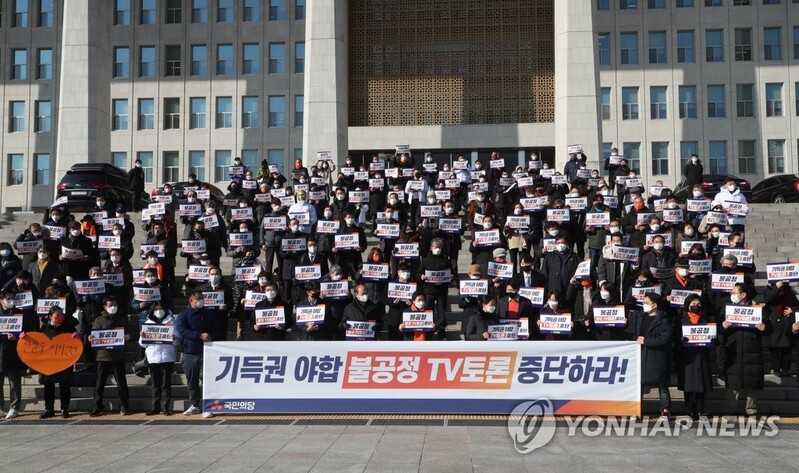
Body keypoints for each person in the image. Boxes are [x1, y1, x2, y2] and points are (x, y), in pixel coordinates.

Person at [721, 283, 765, 416]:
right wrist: (723, 327)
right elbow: (718, 332)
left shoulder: (756, 309)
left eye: (734, 293)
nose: (732, 295)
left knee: (753, 381)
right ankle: (730, 409)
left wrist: (764, 328)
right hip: (733, 349)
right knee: (732, 381)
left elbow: (769, 329)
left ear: (743, 294)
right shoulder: (727, 310)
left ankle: (752, 409)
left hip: (752, 349)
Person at [176, 290, 221, 418]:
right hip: (190, 351)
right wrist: (198, 335)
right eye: (198, 299)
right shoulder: (183, 315)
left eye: (202, 298)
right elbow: (182, 330)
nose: (201, 301)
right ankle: (194, 404)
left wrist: (211, 336)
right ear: (191, 301)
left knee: (206, 379)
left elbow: (217, 329)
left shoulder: (208, 314)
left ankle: (208, 405)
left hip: (206, 350)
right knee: (192, 380)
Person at [630, 293, 673, 419]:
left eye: (646, 303)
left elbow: (665, 339)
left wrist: (646, 341)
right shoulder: (641, 317)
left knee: (662, 384)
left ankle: (665, 410)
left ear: (654, 305)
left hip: (657, 356)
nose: (644, 305)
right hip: (642, 354)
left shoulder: (663, 320)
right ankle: (636, 410)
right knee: (639, 384)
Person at [0, 290, 39, 419]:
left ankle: (14, 407)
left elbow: (29, 331)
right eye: (8, 298)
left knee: (14, 382)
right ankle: (1, 408)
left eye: (12, 298)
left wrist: (19, 336)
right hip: (1, 352)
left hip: (15, 353)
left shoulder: (21, 314)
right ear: (1, 300)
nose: (10, 301)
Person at [90, 296, 131, 416]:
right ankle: (97, 406)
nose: (113, 307)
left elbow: (130, 333)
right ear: (104, 307)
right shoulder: (99, 320)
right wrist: (91, 338)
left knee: (121, 382)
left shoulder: (123, 318)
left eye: (115, 305)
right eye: (110, 305)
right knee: (99, 383)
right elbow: (94, 335)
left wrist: (128, 336)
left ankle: (124, 405)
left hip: (118, 355)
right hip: (103, 355)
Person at [37, 306, 79, 418]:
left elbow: (76, 342)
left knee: (64, 385)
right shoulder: (44, 327)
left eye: (62, 315)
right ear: (50, 316)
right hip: (49, 362)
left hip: (64, 361)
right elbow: (37, 341)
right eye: (57, 315)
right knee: (48, 386)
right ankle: (49, 409)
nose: (60, 317)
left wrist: (77, 337)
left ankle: (64, 409)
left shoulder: (68, 327)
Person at [677, 295, 713, 420]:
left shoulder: (706, 319)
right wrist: (680, 340)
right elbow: (675, 336)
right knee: (688, 384)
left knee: (700, 383)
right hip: (687, 356)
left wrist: (712, 339)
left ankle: (700, 409)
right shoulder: (681, 319)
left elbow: (713, 336)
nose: (695, 306)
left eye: (698, 304)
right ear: (687, 305)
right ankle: (689, 409)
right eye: (692, 304)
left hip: (701, 354)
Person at [139, 302, 177, 416]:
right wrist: (142, 337)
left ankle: (166, 408)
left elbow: (177, 340)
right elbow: (143, 344)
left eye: (161, 309)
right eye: (156, 309)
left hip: (167, 356)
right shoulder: (148, 323)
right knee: (155, 384)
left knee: (166, 384)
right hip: (153, 357)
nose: (159, 311)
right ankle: (155, 408)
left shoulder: (171, 321)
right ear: (152, 311)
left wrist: (174, 338)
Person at [763, 280, 798, 376]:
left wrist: (792, 309)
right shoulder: (769, 289)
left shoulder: (789, 291)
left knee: (787, 347)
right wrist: (777, 288)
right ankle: (776, 368)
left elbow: (796, 304)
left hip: (786, 321)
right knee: (774, 347)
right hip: (773, 320)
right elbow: (768, 300)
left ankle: (786, 368)